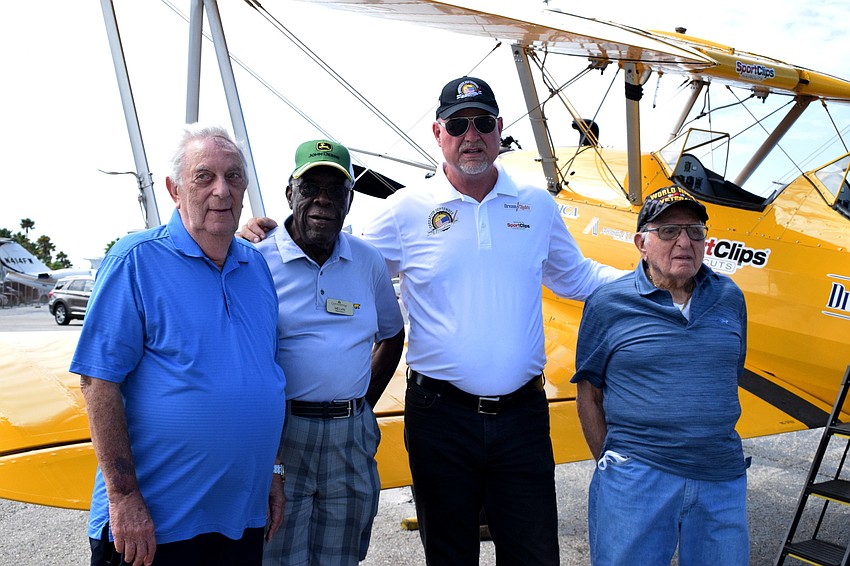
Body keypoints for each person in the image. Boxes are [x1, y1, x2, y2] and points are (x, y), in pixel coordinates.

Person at [242, 76, 624, 565]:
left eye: (483, 122)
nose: (472, 135)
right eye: (458, 124)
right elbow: (336, 251)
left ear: (500, 129)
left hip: (523, 418)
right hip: (441, 419)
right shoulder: (407, 208)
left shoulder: (536, 205)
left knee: (535, 555)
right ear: (438, 132)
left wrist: (651, 277)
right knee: (449, 557)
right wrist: (260, 236)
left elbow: (577, 278)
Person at [71, 125, 287, 566]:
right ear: (174, 190)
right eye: (204, 177)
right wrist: (124, 498)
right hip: (154, 529)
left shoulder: (257, 270)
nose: (221, 191)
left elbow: (264, 379)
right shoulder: (135, 260)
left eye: (234, 176)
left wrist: (273, 471)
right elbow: (97, 382)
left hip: (238, 522)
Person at [571, 185, 750, 565]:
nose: (684, 241)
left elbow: (728, 373)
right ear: (641, 243)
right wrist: (610, 461)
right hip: (638, 478)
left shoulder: (730, 297)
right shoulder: (607, 304)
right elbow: (589, 392)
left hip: (721, 477)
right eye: (668, 231)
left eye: (695, 231)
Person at [256, 139, 405, 566]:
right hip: (282, 435)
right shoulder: (255, 260)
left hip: (350, 436)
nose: (323, 200)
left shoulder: (367, 260)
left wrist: (361, 407)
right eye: (310, 187)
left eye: (335, 189)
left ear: (350, 199)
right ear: (290, 193)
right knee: (276, 552)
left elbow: (391, 336)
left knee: (341, 555)